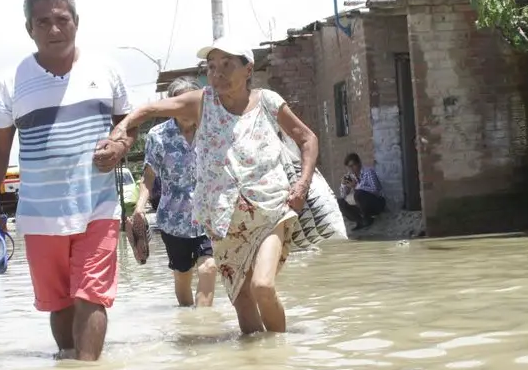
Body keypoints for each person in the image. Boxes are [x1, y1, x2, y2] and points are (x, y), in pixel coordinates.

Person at [109, 36, 319, 335]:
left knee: (262, 286)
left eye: (227, 64)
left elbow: (307, 138)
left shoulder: (268, 102)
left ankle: (280, 352)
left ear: (248, 69)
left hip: (270, 209)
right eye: (211, 66)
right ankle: (263, 368)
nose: (217, 72)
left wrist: (302, 186)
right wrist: (119, 130)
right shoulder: (202, 101)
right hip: (222, 218)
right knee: (241, 296)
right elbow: (149, 109)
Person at [0, 0, 136, 362]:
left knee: (92, 296)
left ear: (77, 22)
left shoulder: (107, 71)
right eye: (43, 21)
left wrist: (119, 146)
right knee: (59, 303)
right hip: (39, 214)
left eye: (62, 19)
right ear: (29, 29)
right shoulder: (11, 82)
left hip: (98, 206)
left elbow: (128, 125)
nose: (54, 28)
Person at [131, 76, 217, 307]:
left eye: (193, 101)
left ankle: (203, 327)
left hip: (210, 215)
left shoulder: (213, 129)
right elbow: (148, 177)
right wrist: (139, 209)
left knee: (209, 268)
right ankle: (188, 324)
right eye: (182, 102)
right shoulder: (158, 136)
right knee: (182, 275)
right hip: (173, 219)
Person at [337, 152, 386, 229]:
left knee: (358, 194)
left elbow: (375, 190)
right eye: (349, 167)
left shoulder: (368, 172)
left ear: (359, 163)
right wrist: (343, 185)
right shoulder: (351, 176)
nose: (351, 169)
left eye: (353, 165)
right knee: (340, 202)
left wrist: (356, 186)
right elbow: (343, 195)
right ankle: (361, 221)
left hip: (377, 203)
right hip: (361, 204)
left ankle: (367, 217)